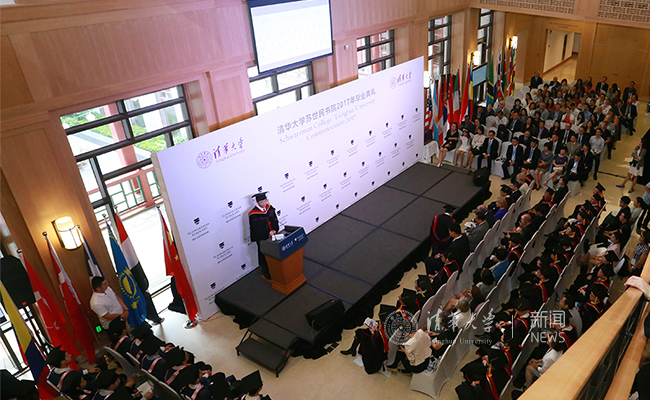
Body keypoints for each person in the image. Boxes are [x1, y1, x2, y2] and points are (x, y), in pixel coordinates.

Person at [248, 191, 279, 280]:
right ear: (257, 202)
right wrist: (267, 234)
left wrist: (274, 230)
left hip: (272, 234)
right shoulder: (253, 214)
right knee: (264, 254)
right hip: (261, 238)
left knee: (274, 252)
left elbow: (275, 220)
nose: (264, 203)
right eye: (261, 202)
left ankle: (275, 268)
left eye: (265, 201)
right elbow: (256, 228)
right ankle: (266, 272)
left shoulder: (270, 208)